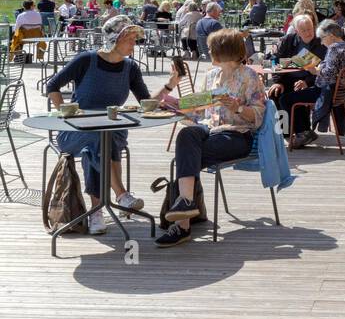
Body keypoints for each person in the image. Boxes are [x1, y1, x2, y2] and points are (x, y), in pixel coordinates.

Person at [155, 28, 266, 247]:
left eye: (212, 48)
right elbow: (199, 108)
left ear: (223, 52)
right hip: (208, 129)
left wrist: (238, 108)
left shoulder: (250, 77)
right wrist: (170, 97)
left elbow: (259, 116)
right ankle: (186, 203)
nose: (208, 52)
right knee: (186, 135)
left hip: (237, 134)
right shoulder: (212, 75)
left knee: (187, 156)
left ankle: (183, 224)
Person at [44, 15, 149, 234]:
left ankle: (97, 212)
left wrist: (170, 85)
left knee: (101, 139)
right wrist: (65, 113)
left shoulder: (131, 68)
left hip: (111, 133)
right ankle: (120, 195)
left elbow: (146, 102)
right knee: (95, 140)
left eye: (134, 39)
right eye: (129, 39)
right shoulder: (86, 60)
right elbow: (53, 85)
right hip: (74, 131)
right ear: (114, 39)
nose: (134, 44)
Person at [286, 19, 345, 147]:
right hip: (336, 91)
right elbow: (333, 70)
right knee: (296, 95)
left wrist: (314, 70)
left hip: (326, 91)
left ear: (331, 36)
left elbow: (328, 73)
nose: (322, 42)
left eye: (322, 38)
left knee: (286, 98)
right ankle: (305, 132)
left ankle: (303, 134)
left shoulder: (334, 48)